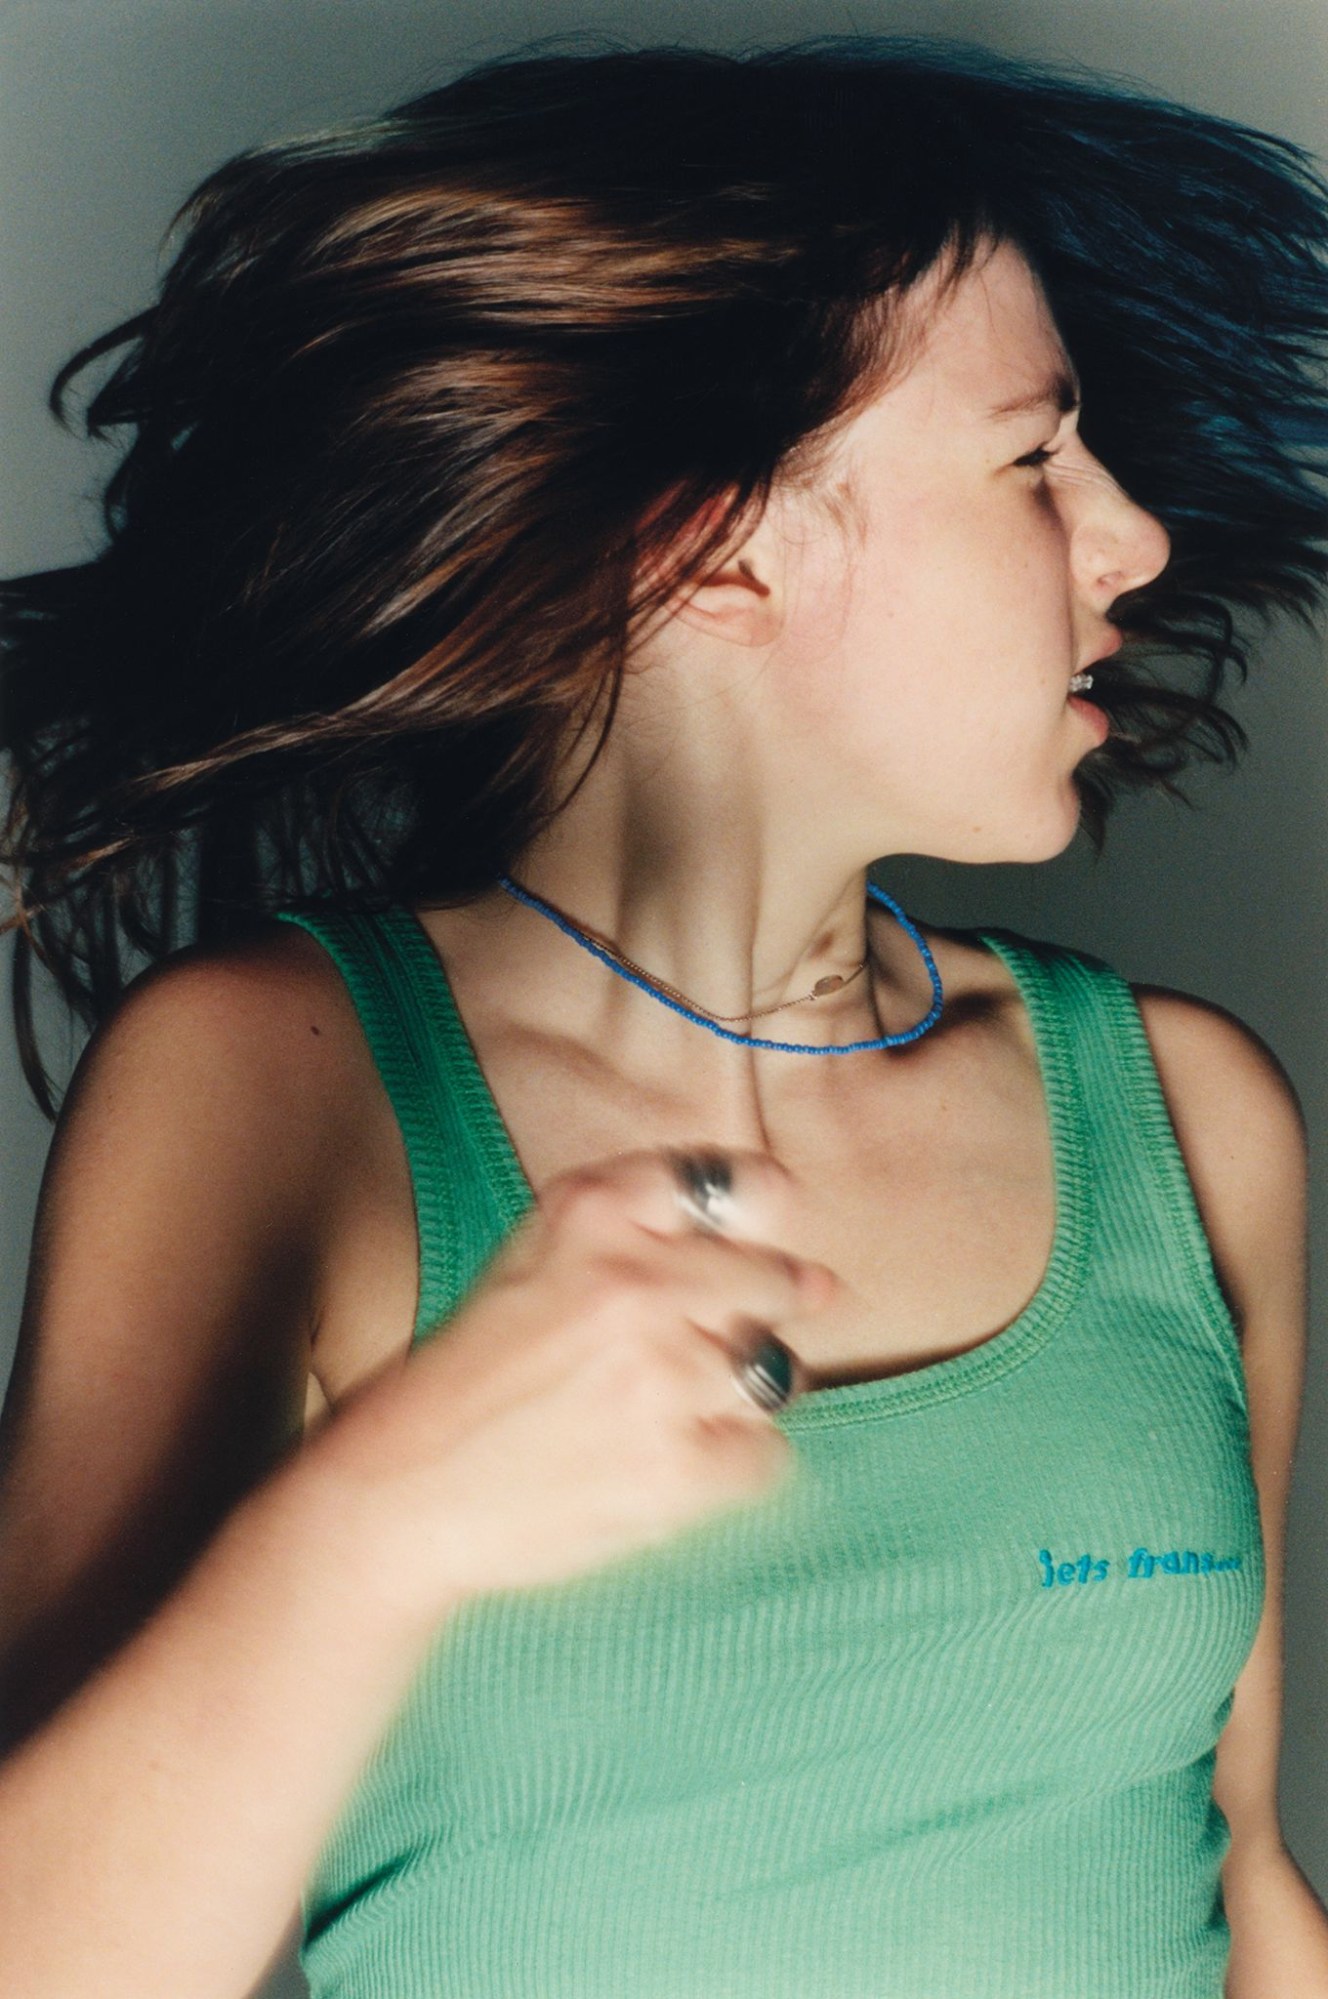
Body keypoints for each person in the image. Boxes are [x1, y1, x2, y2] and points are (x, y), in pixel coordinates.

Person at [1, 35, 1327, 1999]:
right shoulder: (274, 1086)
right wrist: (385, 1511)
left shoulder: (1191, 1116)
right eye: (1035, 457)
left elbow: (1240, 1869)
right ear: (707, 540)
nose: (1127, 539)